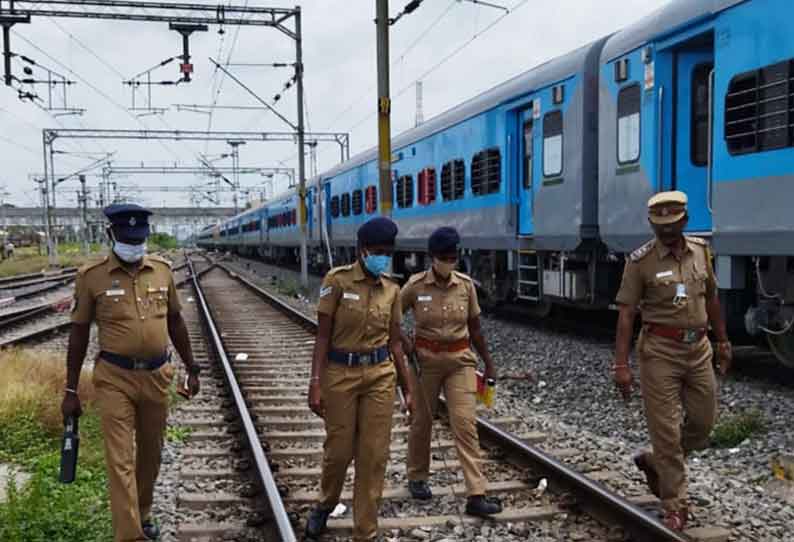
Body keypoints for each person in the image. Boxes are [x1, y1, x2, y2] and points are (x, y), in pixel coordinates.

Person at [60, 204, 201, 542]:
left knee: (151, 455)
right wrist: (70, 390)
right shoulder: (91, 276)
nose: (134, 245)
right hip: (114, 378)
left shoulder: (162, 271)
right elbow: (78, 333)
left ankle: (145, 510)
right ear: (112, 235)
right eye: (127, 238)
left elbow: (175, 321)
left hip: (156, 376)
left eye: (139, 239)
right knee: (120, 457)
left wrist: (192, 367)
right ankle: (130, 534)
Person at [613, 191, 732, 531]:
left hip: (699, 350)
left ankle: (654, 461)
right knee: (665, 432)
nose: (665, 231)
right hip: (659, 353)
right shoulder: (640, 262)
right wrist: (621, 366)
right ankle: (675, 504)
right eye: (658, 224)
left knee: (703, 423)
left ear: (685, 220)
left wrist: (723, 341)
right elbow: (625, 315)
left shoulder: (701, 251)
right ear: (651, 223)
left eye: (671, 224)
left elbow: (711, 298)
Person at [305, 216, 416, 542]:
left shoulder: (392, 289)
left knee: (374, 454)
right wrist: (315, 382)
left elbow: (395, 342)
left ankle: (364, 532)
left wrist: (407, 390)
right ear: (362, 250)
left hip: (380, 376)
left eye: (387, 252)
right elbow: (322, 337)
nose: (383, 257)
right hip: (340, 375)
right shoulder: (337, 281)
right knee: (338, 451)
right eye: (378, 251)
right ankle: (325, 504)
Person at [400, 226, 502, 517]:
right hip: (425, 362)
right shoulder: (415, 286)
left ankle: (476, 494)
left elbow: (476, 328)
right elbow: (392, 319)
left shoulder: (466, 285)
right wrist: (407, 347)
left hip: (460, 361)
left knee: (465, 424)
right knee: (422, 421)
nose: (450, 261)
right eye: (445, 256)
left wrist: (489, 363)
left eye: (454, 256)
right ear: (433, 257)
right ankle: (417, 476)